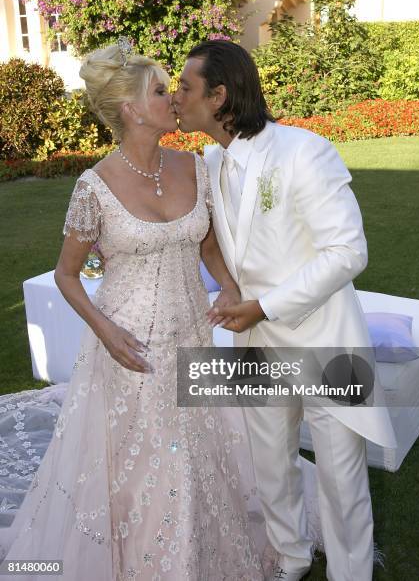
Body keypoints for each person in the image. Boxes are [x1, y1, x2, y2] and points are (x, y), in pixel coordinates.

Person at [0, 41, 267, 580]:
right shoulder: (93, 187)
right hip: (130, 345)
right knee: (146, 463)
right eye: (162, 92)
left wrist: (235, 293)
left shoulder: (194, 165)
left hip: (190, 330)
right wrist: (105, 331)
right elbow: (66, 275)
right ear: (129, 109)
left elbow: (208, 246)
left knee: (195, 454)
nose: (175, 100)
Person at [172, 40, 397, 581]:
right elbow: (228, 248)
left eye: (185, 87)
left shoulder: (304, 151)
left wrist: (264, 307)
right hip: (253, 346)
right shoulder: (210, 161)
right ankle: (290, 560)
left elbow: (348, 251)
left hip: (324, 341)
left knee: (342, 482)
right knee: (271, 469)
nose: (177, 97)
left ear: (219, 96)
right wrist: (231, 292)